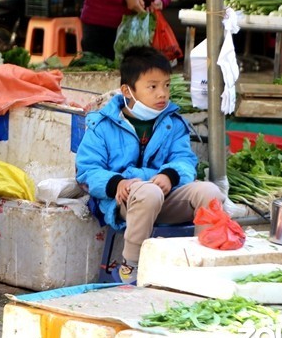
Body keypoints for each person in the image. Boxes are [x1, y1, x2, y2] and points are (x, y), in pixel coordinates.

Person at [75, 45, 222, 284]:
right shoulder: (103, 125)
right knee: (149, 192)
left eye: (166, 85)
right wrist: (117, 183)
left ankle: (202, 262)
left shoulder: (172, 123)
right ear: (127, 90)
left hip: (166, 197)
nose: (162, 94)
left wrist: (170, 176)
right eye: (152, 87)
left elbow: (185, 160)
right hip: (124, 201)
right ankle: (130, 267)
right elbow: (86, 172)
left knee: (209, 191)